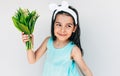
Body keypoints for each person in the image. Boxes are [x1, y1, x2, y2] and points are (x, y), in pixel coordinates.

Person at [22, 1, 93, 76]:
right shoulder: (48, 41)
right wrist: (29, 44)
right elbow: (32, 60)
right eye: (59, 25)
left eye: (68, 26)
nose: (63, 30)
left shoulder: (73, 49)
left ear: (74, 28)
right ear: (53, 25)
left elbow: (85, 70)